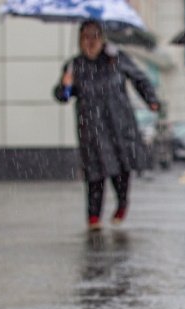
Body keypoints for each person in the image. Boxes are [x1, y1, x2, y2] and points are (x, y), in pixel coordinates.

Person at [54, 20, 160, 231]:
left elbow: (139, 79)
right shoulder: (74, 65)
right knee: (94, 172)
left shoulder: (116, 58)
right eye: (85, 37)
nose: (90, 42)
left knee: (121, 169)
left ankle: (122, 203)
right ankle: (93, 217)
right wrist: (65, 86)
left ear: (102, 38)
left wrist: (151, 100)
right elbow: (63, 96)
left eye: (94, 36)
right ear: (79, 40)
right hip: (91, 127)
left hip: (119, 124)